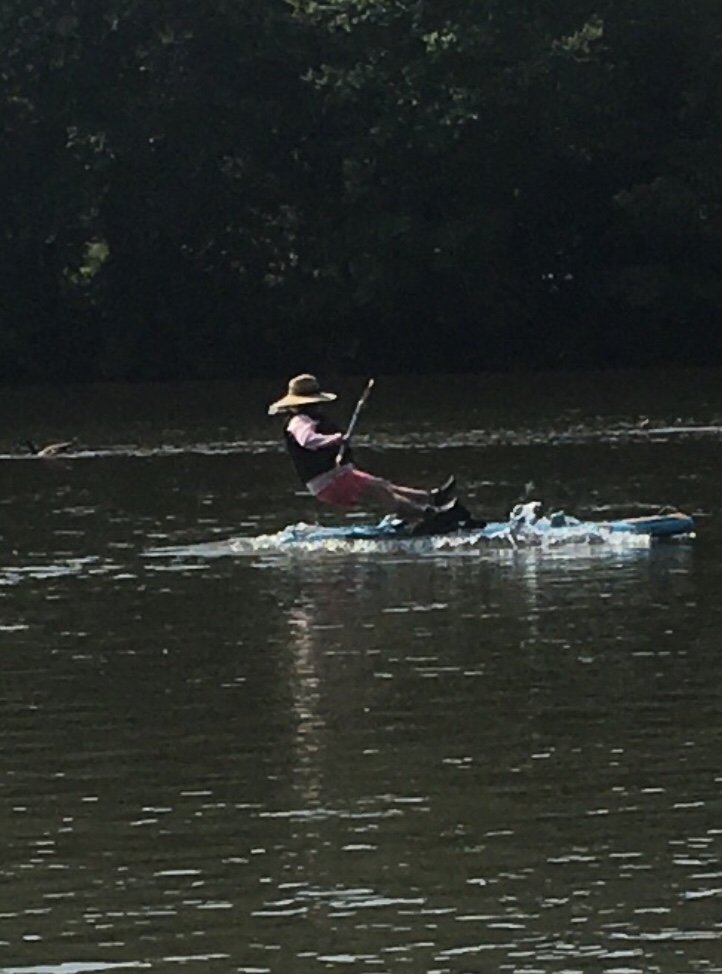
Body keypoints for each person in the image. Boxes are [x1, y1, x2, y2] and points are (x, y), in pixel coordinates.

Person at [268, 374, 456, 522]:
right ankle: (428, 515)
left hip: (337, 474)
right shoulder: (299, 421)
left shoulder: (310, 418)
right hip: (326, 481)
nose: (317, 406)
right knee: (380, 491)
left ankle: (431, 498)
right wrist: (335, 439)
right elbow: (308, 441)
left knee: (384, 485)